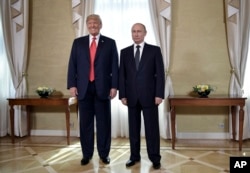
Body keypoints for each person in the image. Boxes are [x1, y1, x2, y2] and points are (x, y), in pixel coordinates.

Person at [67, 14, 119, 166]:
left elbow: (115, 67)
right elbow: (72, 65)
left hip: (103, 88)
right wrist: (72, 84)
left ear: (100, 25)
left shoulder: (109, 43)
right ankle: (86, 154)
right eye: (90, 23)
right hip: (83, 89)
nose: (92, 26)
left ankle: (104, 154)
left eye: (95, 23)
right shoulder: (78, 43)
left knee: (104, 123)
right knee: (86, 124)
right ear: (86, 25)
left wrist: (114, 86)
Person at [119, 23, 165, 170]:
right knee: (133, 129)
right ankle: (134, 156)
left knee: (152, 129)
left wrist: (159, 94)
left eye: (139, 31)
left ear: (145, 33)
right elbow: (122, 76)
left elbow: (160, 75)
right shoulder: (124, 52)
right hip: (131, 97)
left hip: (150, 96)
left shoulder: (154, 51)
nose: (136, 34)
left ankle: (155, 158)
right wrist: (123, 95)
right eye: (133, 31)